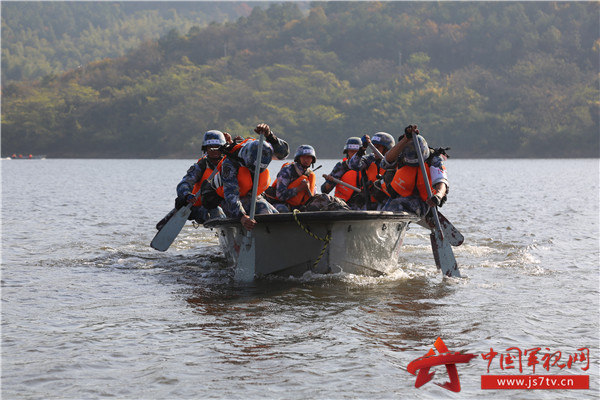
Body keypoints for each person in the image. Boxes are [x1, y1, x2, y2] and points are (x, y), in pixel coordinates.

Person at [201, 123, 289, 231]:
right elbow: (231, 195)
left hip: (251, 195)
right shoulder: (230, 164)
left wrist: (270, 136)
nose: (255, 170)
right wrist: (242, 216)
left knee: (275, 214)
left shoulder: (262, 148)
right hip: (227, 199)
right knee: (261, 208)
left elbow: (283, 153)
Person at [380, 124, 449, 217]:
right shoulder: (402, 155)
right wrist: (405, 138)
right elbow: (385, 162)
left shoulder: (434, 159)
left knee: (398, 205)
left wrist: (438, 196)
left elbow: (441, 181)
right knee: (391, 205)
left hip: (424, 201)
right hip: (400, 195)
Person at [168, 130, 231, 227]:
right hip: (203, 208)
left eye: (217, 148)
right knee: (216, 211)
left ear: (223, 148)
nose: (214, 151)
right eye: (210, 148)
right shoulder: (200, 167)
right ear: (205, 149)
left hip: (224, 204)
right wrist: (187, 195)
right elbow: (183, 184)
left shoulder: (230, 165)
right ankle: (227, 230)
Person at [347, 132, 395, 210]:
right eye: (373, 147)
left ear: (387, 149)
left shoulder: (394, 161)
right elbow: (353, 165)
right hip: (369, 201)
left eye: (377, 148)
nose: (374, 151)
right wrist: (362, 149)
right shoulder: (370, 159)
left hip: (387, 201)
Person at [265, 145, 317, 212]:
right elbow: (280, 195)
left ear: (312, 160)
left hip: (301, 206)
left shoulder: (310, 175)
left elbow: (313, 194)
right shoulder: (287, 171)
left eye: (309, 158)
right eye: (303, 157)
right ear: (298, 158)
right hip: (282, 204)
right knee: (283, 209)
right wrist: (299, 188)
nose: (306, 160)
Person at [321, 137, 364, 210]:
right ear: (347, 152)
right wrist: (329, 182)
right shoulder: (341, 167)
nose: (353, 154)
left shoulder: (366, 165)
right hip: (343, 204)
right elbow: (325, 190)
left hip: (363, 204)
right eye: (351, 151)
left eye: (356, 152)